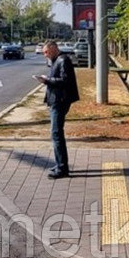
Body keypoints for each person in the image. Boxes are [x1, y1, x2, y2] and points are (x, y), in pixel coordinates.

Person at [34, 40, 79, 179]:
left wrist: (47, 80)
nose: (45, 55)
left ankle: (62, 168)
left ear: (53, 49)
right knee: (56, 133)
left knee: (56, 133)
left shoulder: (63, 60)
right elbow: (57, 78)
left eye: (46, 52)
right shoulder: (55, 60)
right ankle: (60, 163)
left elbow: (65, 81)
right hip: (56, 101)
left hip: (60, 101)